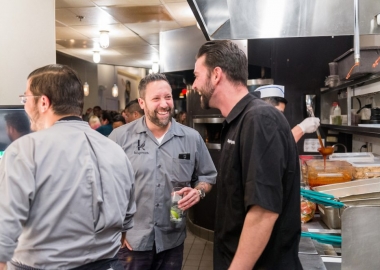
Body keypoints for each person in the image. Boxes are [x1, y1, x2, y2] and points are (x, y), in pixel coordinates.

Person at [0, 64, 136, 270]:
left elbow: (5, 228)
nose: (25, 105)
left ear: (43, 102)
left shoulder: (25, 150)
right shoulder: (116, 151)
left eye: (26, 98)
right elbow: (126, 220)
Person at [192, 40, 302, 270]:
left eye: (197, 75)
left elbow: (263, 211)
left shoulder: (259, 119)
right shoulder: (236, 122)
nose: (194, 85)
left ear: (216, 75)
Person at [109, 73, 217, 270]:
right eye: (156, 98)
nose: (164, 104)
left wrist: (199, 191)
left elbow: (207, 176)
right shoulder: (119, 137)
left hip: (172, 240)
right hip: (131, 241)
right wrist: (114, 230)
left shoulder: (191, 138)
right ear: (142, 102)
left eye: (167, 97)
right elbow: (103, 185)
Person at [254, 84, 320, 142]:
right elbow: (275, 148)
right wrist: (302, 128)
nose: (280, 118)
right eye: (278, 113)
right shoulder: (253, 129)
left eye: (281, 114)